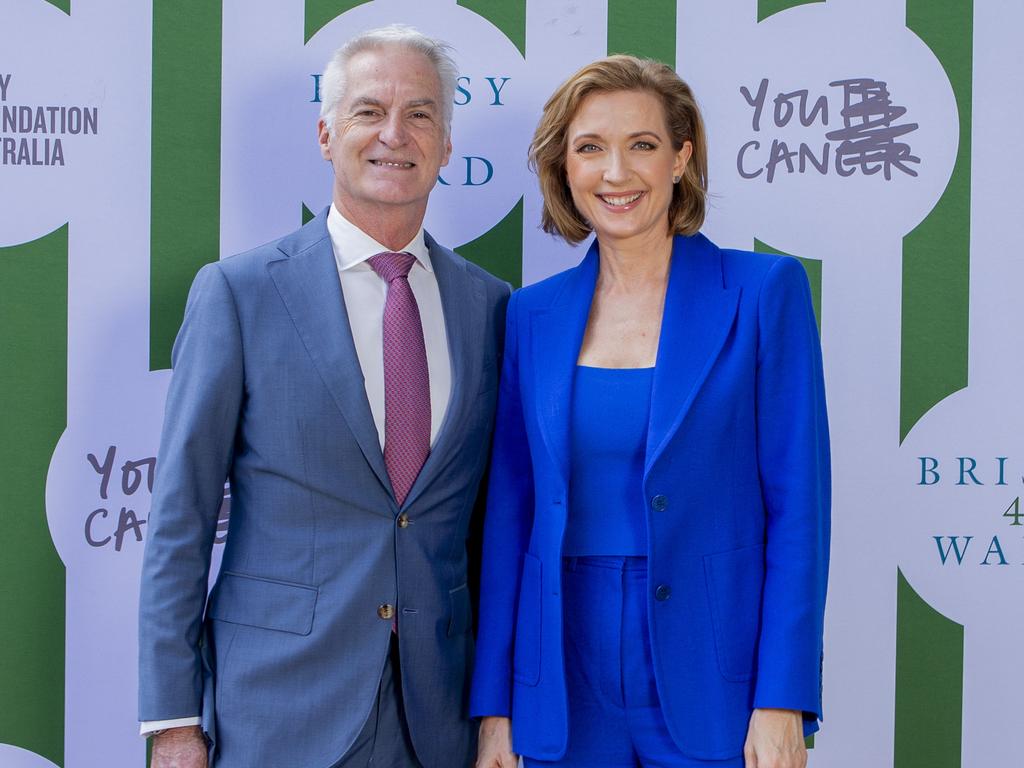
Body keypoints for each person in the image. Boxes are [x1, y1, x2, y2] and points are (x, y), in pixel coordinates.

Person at [138, 24, 510, 768]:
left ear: (445, 145)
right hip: (277, 712)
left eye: (422, 114)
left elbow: (493, 533)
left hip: (440, 719)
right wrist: (173, 723)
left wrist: (498, 709)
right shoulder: (239, 294)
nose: (394, 135)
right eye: (369, 111)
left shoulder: (494, 308)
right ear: (326, 133)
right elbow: (179, 517)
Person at [470, 56, 830, 768]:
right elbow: (509, 518)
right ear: (563, 169)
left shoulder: (763, 293)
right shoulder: (530, 316)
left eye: (642, 145)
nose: (616, 173)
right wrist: (496, 707)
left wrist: (784, 696)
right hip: (561, 682)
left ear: (681, 158)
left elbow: (799, 510)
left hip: (713, 675)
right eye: (589, 148)